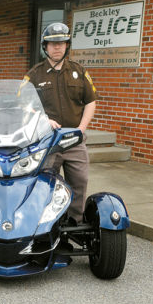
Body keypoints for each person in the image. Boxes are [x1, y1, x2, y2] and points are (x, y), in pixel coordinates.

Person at [24, 22, 98, 222]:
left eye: (61, 43)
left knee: (79, 182)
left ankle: (74, 222)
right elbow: (23, 104)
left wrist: (81, 129)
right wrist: (42, 119)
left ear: (67, 45)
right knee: (44, 184)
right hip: (47, 142)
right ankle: (48, 224)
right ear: (45, 47)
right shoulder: (34, 74)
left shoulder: (79, 71)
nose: (57, 47)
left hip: (74, 140)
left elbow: (90, 102)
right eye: (52, 43)